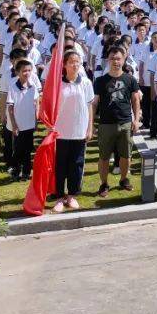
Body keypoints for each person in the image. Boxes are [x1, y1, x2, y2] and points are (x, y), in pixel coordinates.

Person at [91, 46, 141, 197]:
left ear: (124, 59)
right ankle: (104, 183)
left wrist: (136, 119)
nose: (115, 61)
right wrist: (91, 124)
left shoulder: (130, 79)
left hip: (125, 122)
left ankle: (124, 179)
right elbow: (94, 103)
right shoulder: (100, 81)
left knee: (126, 155)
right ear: (108, 60)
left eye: (118, 58)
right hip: (106, 124)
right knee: (104, 157)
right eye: (112, 58)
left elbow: (135, 99)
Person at [53, 50, 94, 213]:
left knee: (76, 164)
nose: (75, 65)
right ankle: (59, 197)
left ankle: (72, 195)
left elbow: (90, 106)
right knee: (60, 165)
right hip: (61, 132)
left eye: (77, 62)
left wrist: (90, 127)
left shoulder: (86, 83)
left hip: (79, 130)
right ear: (64, 64)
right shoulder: (58, 84)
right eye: (71, 62)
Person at [6, 59, 40, 181]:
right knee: (18, 149)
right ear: (18, 72)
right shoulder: (13, 86)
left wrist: (36, 121)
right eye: (24, 71)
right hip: (19, 125)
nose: (27, 73)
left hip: (29, 124)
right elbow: (10, 108)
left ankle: (26, 172)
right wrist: (14, 125)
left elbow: (36, 103)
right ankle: (15, 170)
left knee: (27, 149)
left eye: (29, 70)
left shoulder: (33, 86)